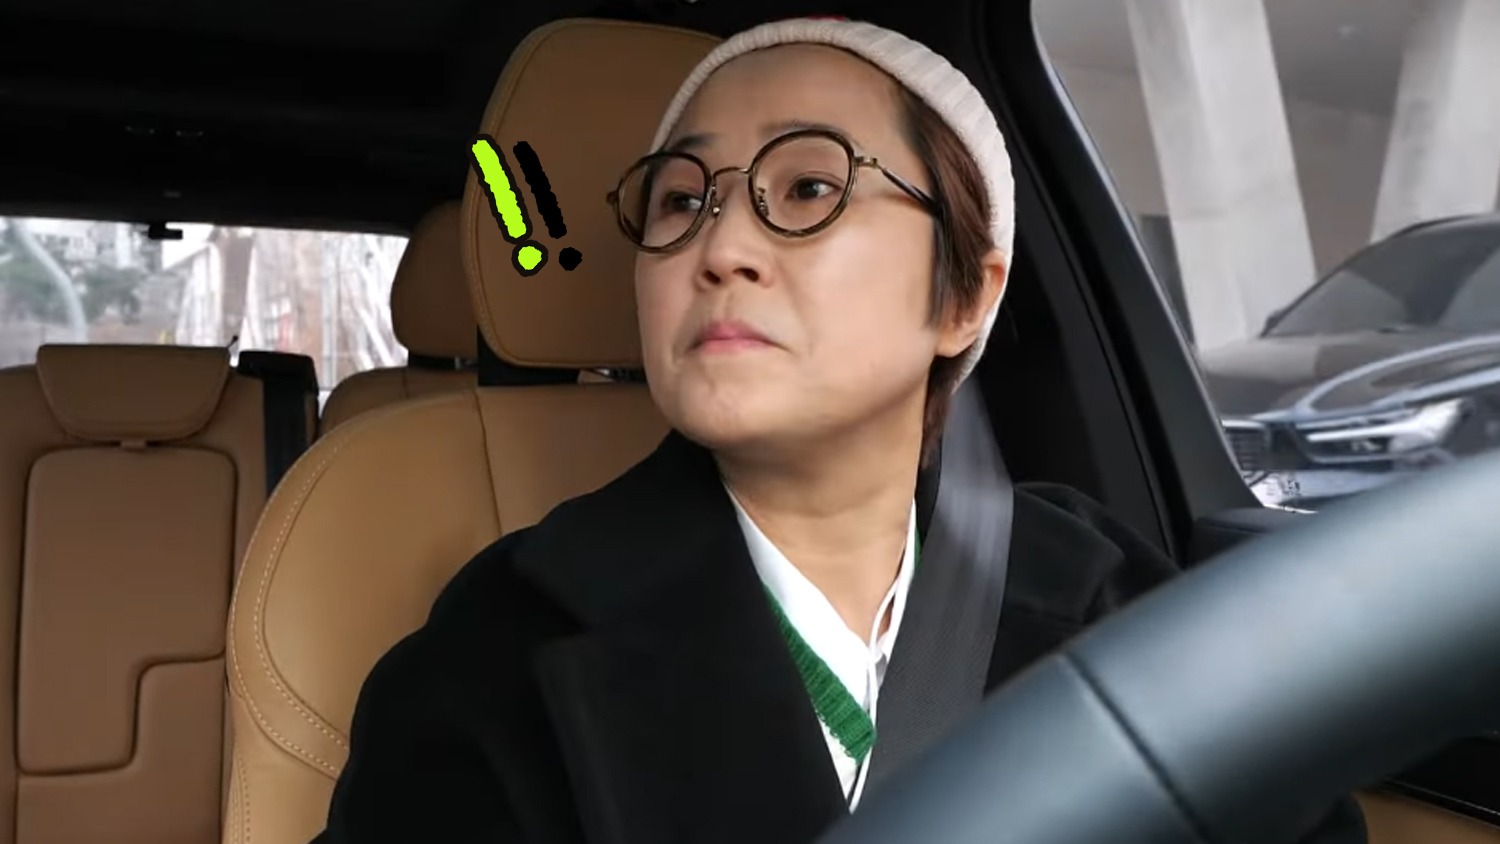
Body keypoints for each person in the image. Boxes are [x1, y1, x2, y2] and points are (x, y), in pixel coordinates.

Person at [313, 17, 1364, 844]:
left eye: (809, 187)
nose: (721, 246)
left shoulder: (1105, 589)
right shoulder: (502, 640)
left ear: (964, 298)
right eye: (680, 201)